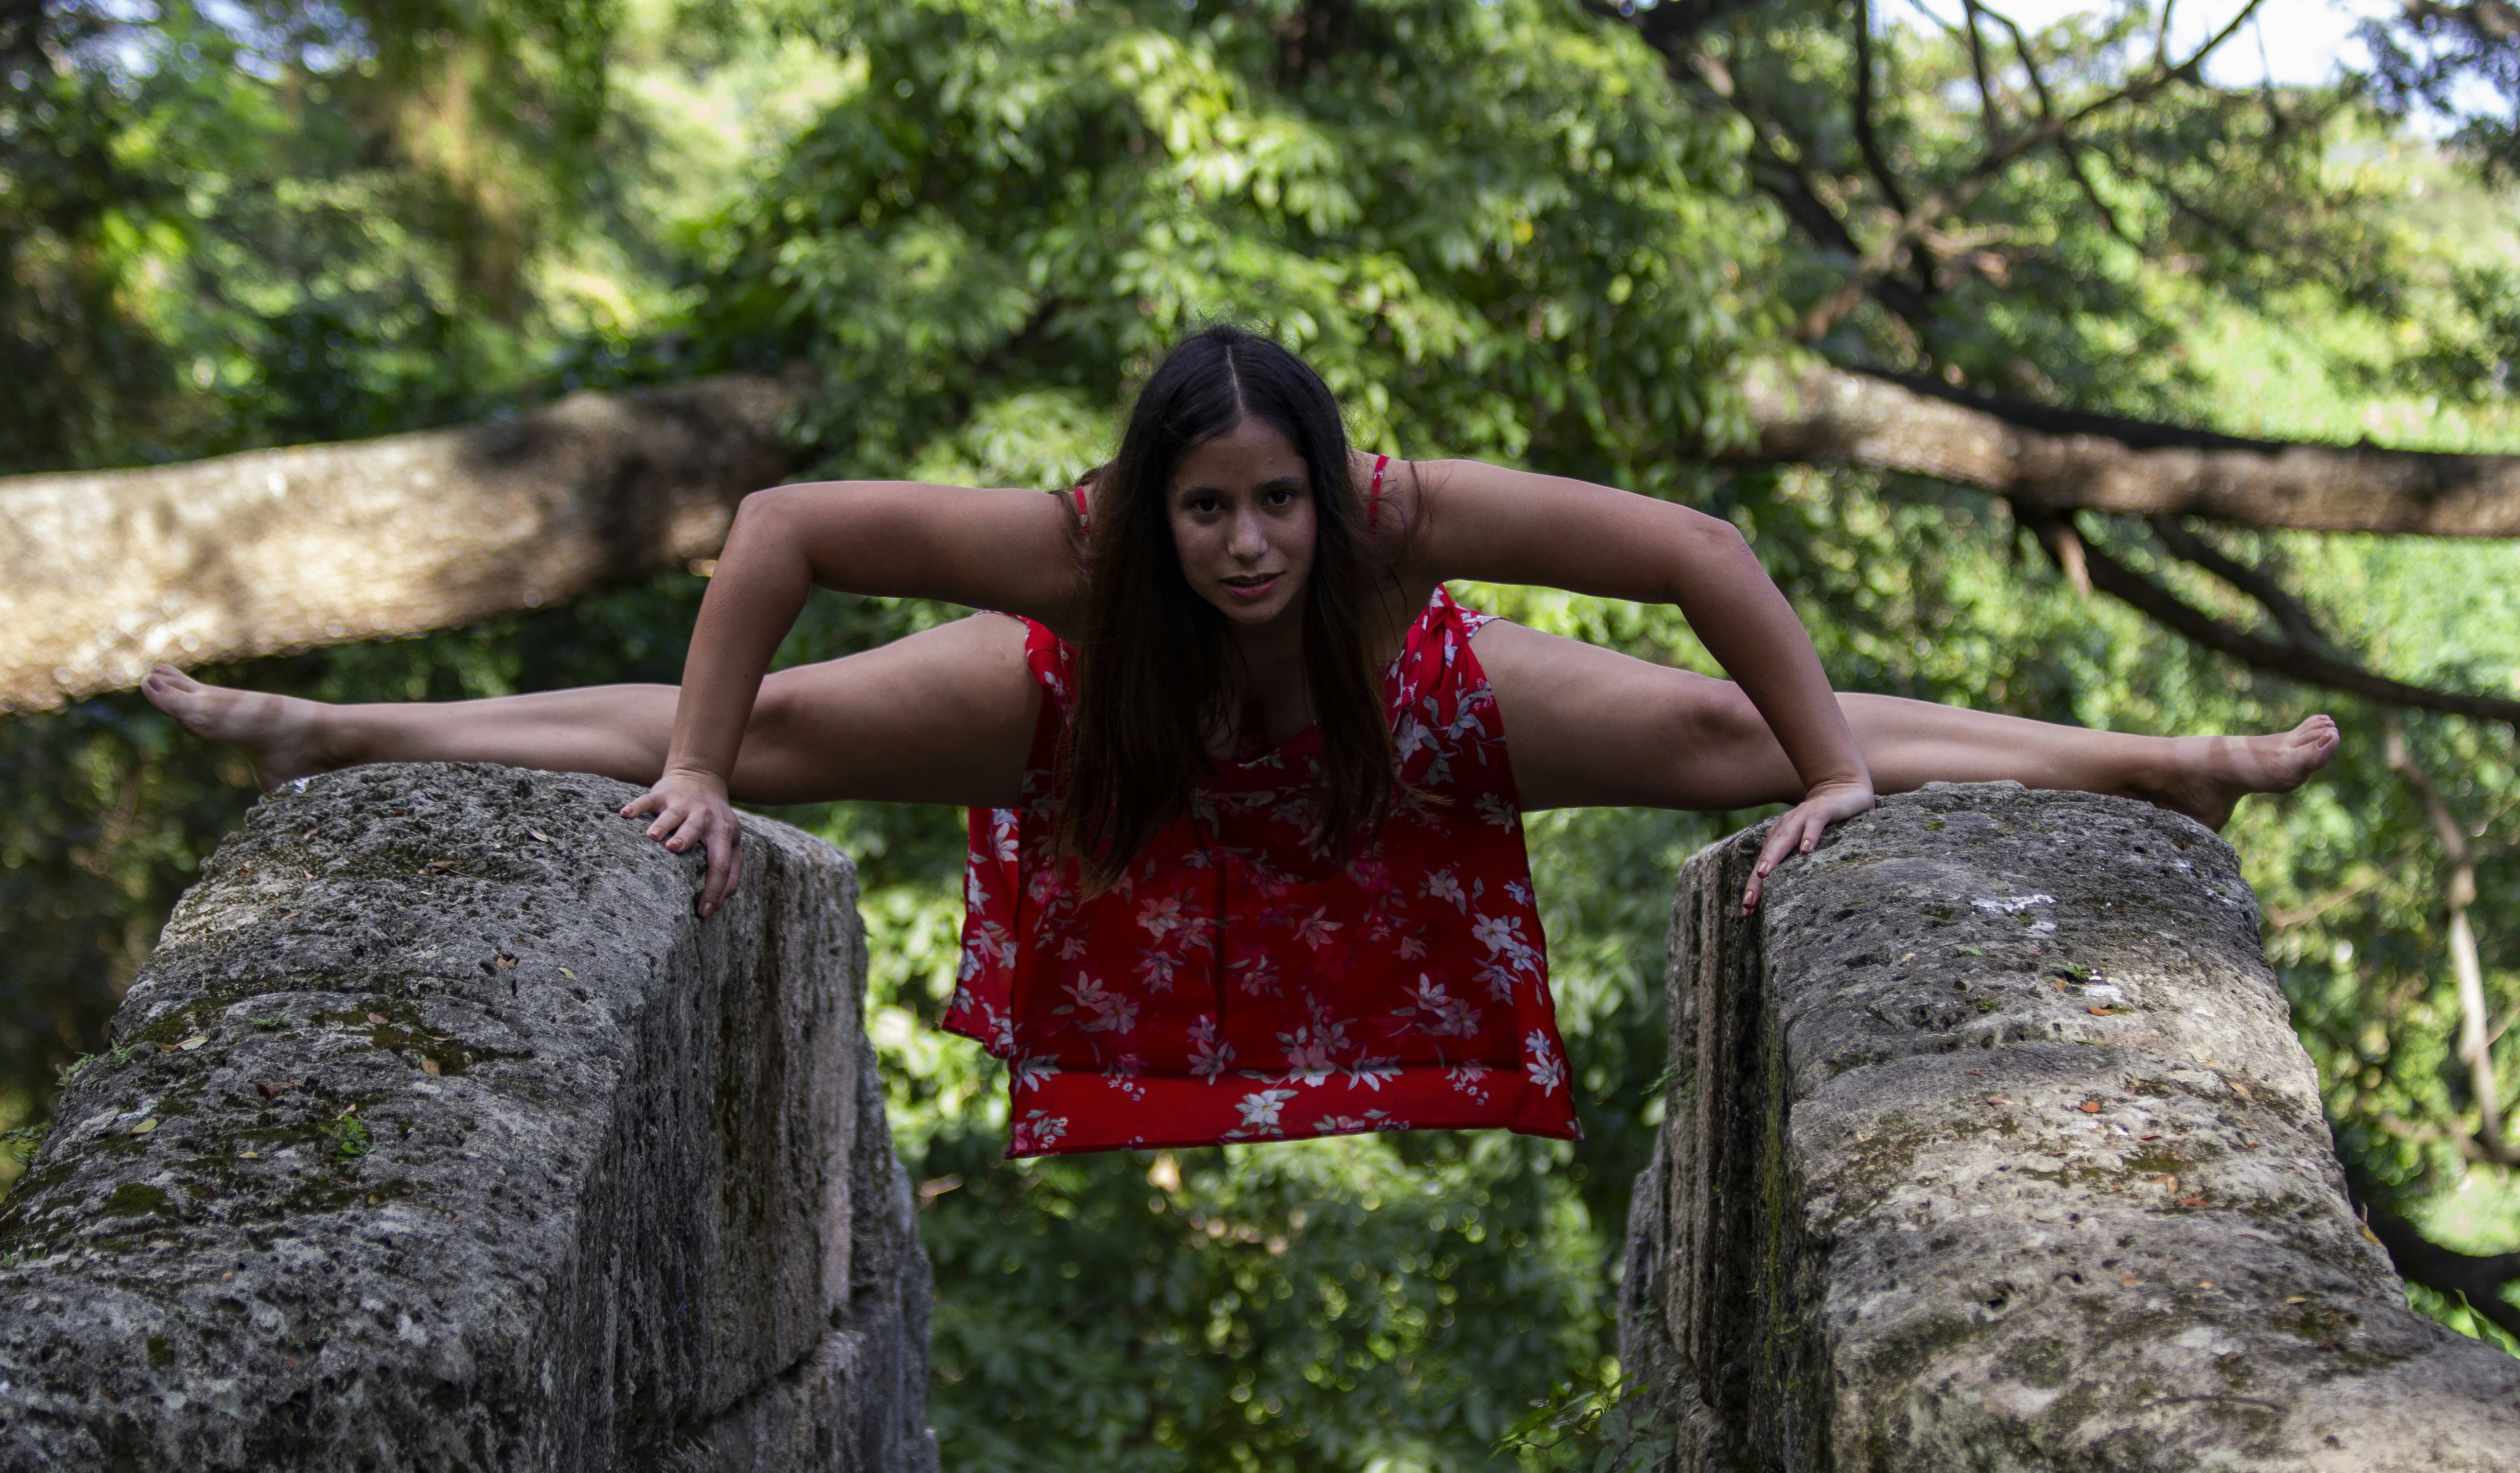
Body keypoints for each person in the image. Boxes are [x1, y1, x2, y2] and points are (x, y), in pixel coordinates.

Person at [143, 324, 2338, 1156]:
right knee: (784, 728)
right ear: (1148, 505)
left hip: (1402, 731)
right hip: (1111, 731)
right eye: (1210, 507)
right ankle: (338, 728)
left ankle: (2145, 760)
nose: (1249, 537)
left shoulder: (1395, 536)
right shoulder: (1081, 557)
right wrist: (699, 770)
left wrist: (1841, 776)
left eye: (1275, 497)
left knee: (1726, 736)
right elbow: (786, 532)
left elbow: (1696, 548)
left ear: (1330, 483)